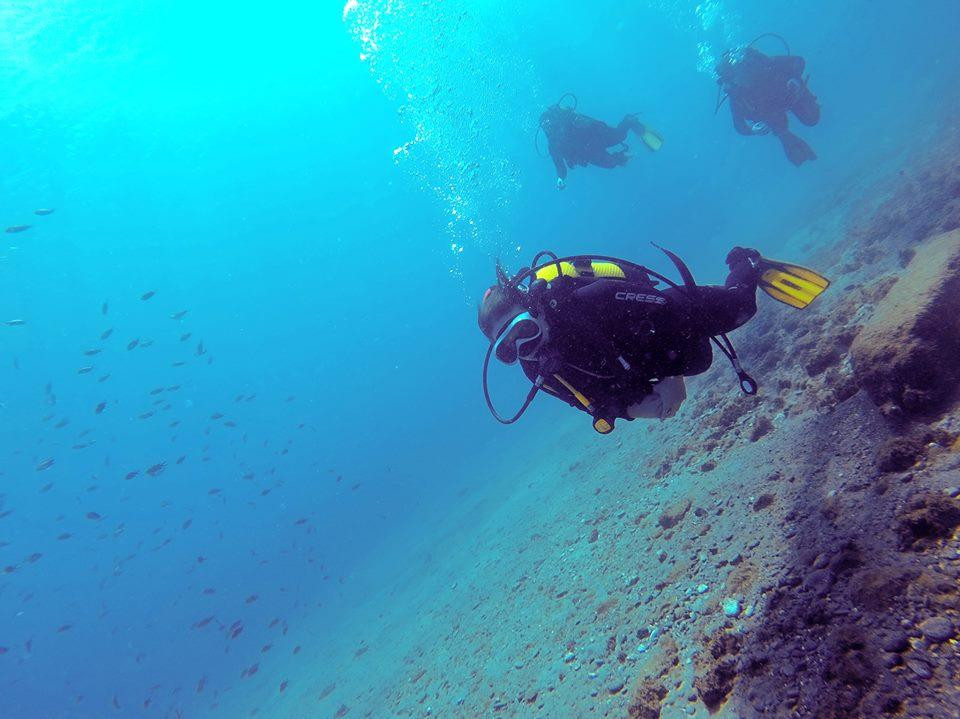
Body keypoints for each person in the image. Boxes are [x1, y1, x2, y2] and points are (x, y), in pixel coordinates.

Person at [478, 248, 829, 433]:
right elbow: (591, 405)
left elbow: (662, 305)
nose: (523, 348)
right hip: (646, 367)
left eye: (523, 329)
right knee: (697, 361)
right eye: (507, 349)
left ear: (534, 310)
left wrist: (671, 368)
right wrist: (632, 408)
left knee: (741, 306)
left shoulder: (589, 299)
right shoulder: (536, 369)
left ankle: (747, 261)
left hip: (669, 322)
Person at [716, 44, 820, 166]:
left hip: (791, 95)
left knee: (812, 119)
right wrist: (752, 130)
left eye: (737, 75)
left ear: (742, 66)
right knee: (777, 124)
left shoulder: (765, 65)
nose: (737, 82)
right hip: (774, 114)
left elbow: (798, 61)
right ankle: (789, 141)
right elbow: (739, 125)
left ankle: (793, 132)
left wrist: (794, 78)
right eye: (731, 81)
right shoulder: (737, 94)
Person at [539, 99, 662, 189]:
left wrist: (560, 178)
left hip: (593, 143)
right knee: (618, 143)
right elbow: (559, 166)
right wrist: (560, 178)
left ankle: (626, 148)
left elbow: (560, 166)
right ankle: (629, 127)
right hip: (594, 143)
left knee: (614, 153)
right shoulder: (554, 142)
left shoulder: (554, 141)